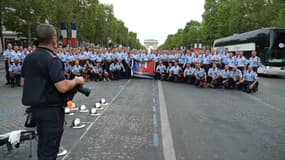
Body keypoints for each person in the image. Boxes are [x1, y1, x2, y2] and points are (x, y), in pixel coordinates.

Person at [21, 24, 85, 160]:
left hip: (35, 110)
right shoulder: (52, 59)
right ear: (54, 39)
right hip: (51, 111)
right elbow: (62, 87)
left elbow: (23, 83)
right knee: (50, 150)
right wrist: (76, 81)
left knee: (43, 146)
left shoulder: (29, 58)